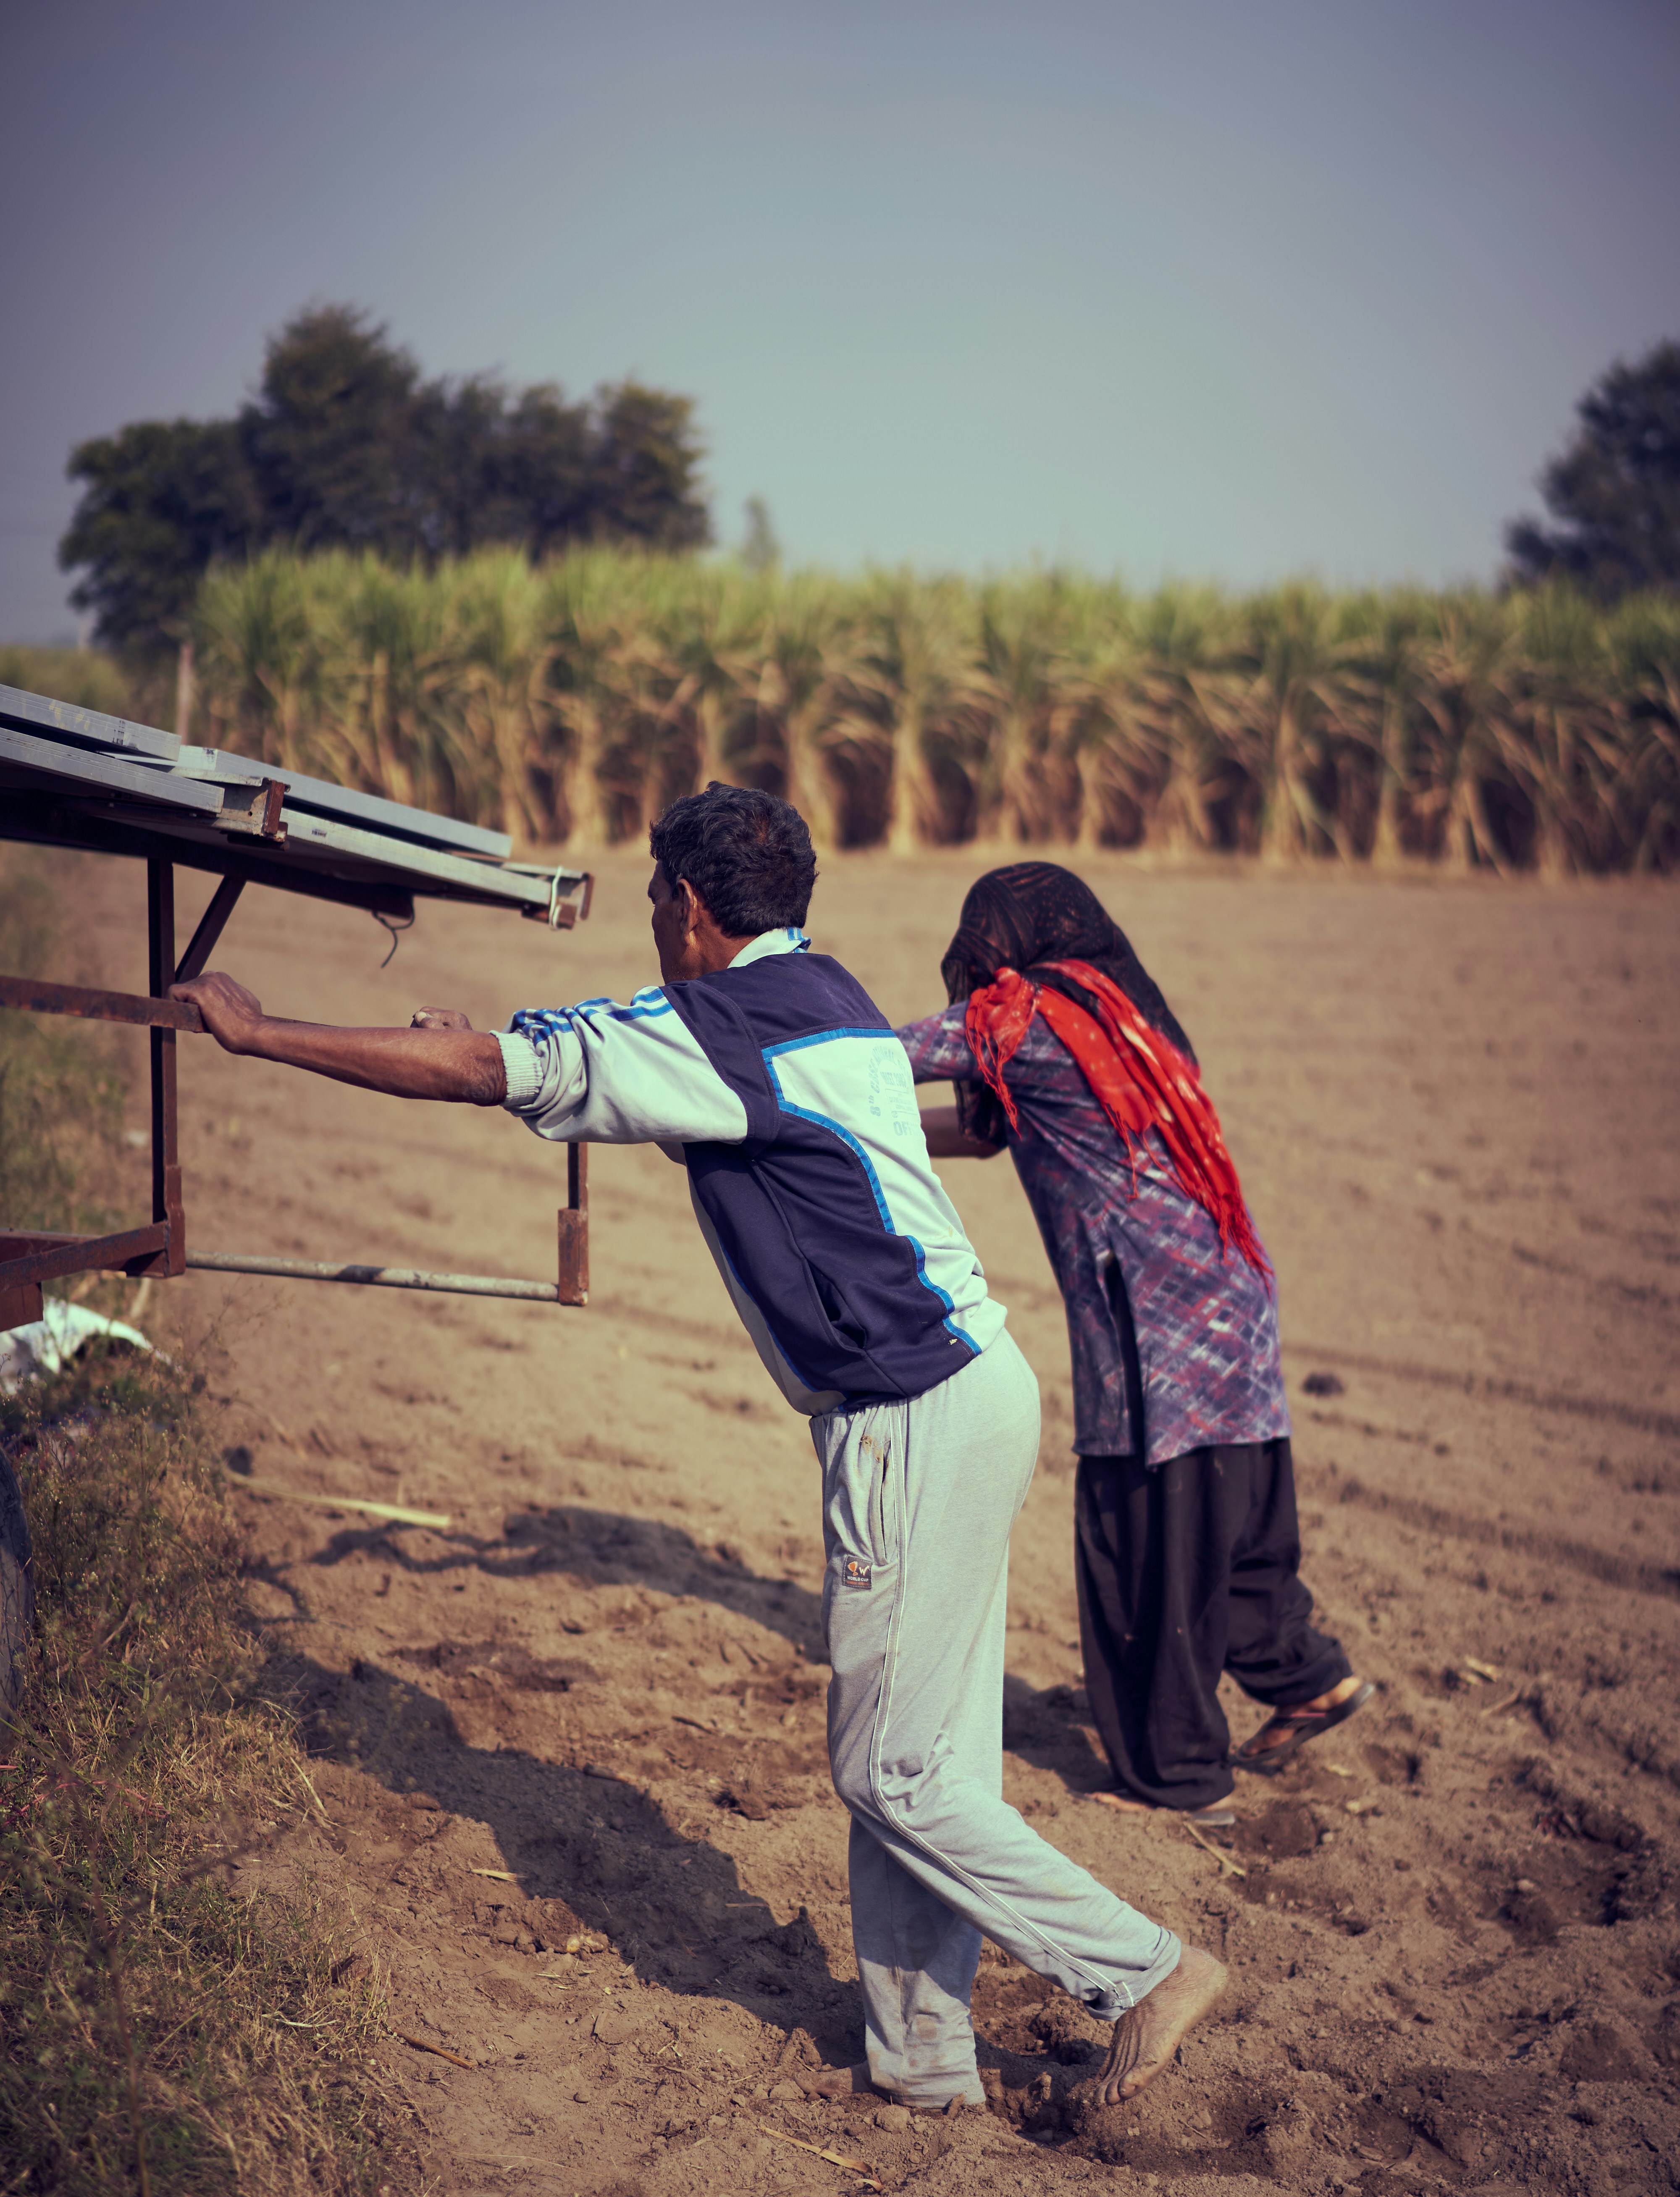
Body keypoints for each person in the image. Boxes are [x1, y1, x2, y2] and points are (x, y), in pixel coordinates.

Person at [172, 787, 1224, 2111]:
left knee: (889, 1770)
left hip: (907, 1412)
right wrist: (487, 1050)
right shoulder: (825, 995)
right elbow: (620, 1081)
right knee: (929, 1763)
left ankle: (1141, 1974)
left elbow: (505, 1067)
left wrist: (264, 1035)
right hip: (974, 1388)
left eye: (658, 899)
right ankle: (923, 2063)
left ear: (682, 903)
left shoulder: (714, 1025)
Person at [898, 863, 1370, 1830]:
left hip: (1156, 1337)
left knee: (1149, 1543)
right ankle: (1310, 1681)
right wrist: (856, 1132)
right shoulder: (1119, 1020)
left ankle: (1182, 1776)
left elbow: (867, 1063)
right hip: (1233, 1309)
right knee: (1230, 1531)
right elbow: (982, 1132)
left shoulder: (1022, 1018)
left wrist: (789, 1095)